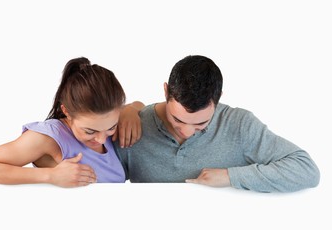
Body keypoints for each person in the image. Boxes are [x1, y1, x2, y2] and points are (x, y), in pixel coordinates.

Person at [115, 55, 320, 192]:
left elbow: (305, 169)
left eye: (201, 123)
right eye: (177, 119)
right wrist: (125, 109)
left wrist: (231, 176)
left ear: (218, 98)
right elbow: (104, 179)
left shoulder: (239, 125)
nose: (186, 132)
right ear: (166, 92)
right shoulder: (134, 126)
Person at [0, 57, 141, 187]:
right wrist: (50, 175)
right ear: (66, 111)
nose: (102, 139)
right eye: (90, 131)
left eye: (111, 127)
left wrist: (132, 110)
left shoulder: (109, 118)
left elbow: (139, 105)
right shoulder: (49, 137)